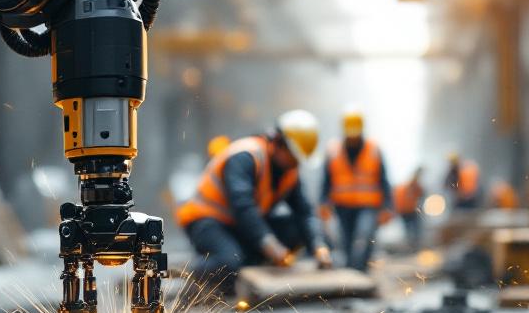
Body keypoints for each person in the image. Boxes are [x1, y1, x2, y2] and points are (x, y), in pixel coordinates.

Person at [178, 110, 333, 293]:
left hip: (240, 227)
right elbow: (243, 208)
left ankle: (242, 264)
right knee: (228, 262)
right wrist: (272, 247)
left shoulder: (290, 171)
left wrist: (319, 246)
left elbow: (304, 212)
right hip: (207, 221)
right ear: (278, 142)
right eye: (293, 156)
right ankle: (192, 274)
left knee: (296, 230)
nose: (295, 164)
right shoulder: (245, 156)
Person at [319, 108, 392, 271]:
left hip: (368, 206)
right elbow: (326, 181)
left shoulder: (374, 149)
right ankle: (351, 272)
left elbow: (384, 180)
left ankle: (359, 271)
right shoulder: (333, 150)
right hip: (342, 206)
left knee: (363, 237)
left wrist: (388, 206)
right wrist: (323, 202)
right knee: (346, 242)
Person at [395, 167, 425, 251]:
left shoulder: (407, 186)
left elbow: (420, 193)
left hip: (406, 210)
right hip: (408, 210)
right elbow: (419, 193)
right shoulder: (410, 185)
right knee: (413, 228)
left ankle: (412, 245)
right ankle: (412, 246)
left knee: (410, 229)